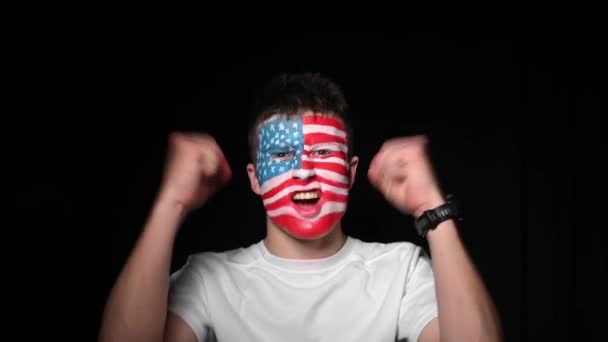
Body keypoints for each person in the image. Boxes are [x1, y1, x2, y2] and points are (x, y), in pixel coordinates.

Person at [98, 73, 502, 341]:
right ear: (255, 179)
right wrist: (172, 202)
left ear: (350, 171)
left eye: (323, 152)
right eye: (283, 155)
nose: (304, 172)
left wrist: (432, 208)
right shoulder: (210, 279)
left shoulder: (400, 271)